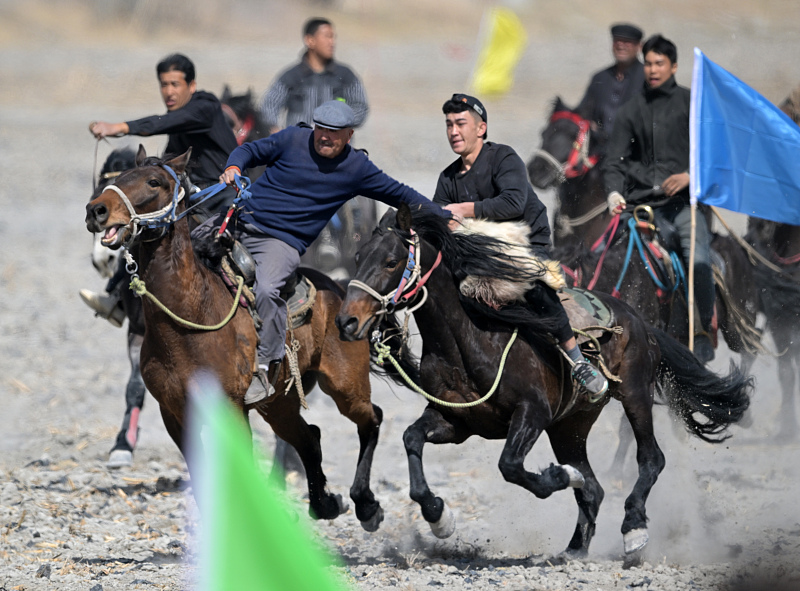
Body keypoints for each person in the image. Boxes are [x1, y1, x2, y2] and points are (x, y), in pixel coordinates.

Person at [209, 100, 448, 405]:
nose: (325, 136)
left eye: (334, 133)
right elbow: (250, 151)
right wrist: (233, 166)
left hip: (279, 242)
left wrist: (444, 216)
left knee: (268, 290)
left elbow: (400, 193)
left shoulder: (356, 169)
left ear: (349, 136)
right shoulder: (292, 138)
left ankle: (266, 368)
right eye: (321, 128)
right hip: (239, 219)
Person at [433, 93, 609, 400]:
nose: (453, 131)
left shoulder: (504, 158)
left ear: (481, 128)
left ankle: (578, 362)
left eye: (461, 123)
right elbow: (438, 220)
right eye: (448, 124)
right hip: (479, 256)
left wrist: (463, 210)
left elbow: (512, 203)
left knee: (532, 285)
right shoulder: (448, 178)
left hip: (528, 245)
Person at [81, 53, 239, 325]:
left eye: (175, 84)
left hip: (223, 197)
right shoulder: (178, 119)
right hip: (192, 200)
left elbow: (159, 123)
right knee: (143, 228)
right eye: (164, 84)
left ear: (191, 85)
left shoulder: (204, 107)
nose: (168, 91)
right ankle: (118, 298)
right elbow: (167, 165)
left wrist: (119, 128)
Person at [603, 34, 716, 362]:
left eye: (659, 63)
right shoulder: (630, 110)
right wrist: (613, 193)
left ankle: (702, 329)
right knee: (607, 260)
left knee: (698, 258)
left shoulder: (691, 104)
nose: (652, 69)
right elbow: (614, 162)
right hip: (640, 207)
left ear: (674, 66)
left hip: (683, 205)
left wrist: (690, 177)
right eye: (648, 63)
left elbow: (711, 154)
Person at [259, 17, 369, 135]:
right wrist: (276, 131)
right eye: (327, 36)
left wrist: (337, 123)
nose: (332, 42)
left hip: (336, 147)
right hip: (299, 146)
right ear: (310, 40)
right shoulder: (291, 76)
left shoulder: (345, 75)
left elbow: (360, 107)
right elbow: (269, 106)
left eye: (333, 37)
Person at [576, 23, 645, 152]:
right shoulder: (600, 78)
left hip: (635, 154)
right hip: (599, 152)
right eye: (617, 40)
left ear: (639, 46)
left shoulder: (648, 78)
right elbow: (582, 113)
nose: (621, 45)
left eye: (627, 42)